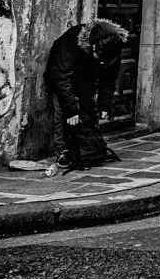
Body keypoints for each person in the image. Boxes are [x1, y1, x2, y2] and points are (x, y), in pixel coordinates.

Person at [45, 17, 128, 170]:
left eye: (104, 60)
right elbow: (60, 76)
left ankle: (87, 149)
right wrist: (71, 110)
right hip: (62, 75)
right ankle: (61, 149)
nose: (100, 61)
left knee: (88, 113)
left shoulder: (113, 48)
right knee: (62, 112)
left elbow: (109, 79)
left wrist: (104, 103)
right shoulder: (72, 41)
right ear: (92, 45)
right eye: (97, 56)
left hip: (86, 80)